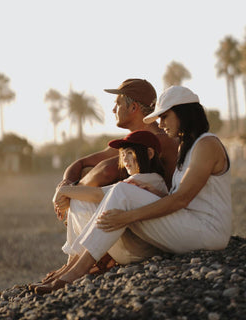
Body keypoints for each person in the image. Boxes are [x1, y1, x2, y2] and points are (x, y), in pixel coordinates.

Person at [35, 85, 232, 294]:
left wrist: (128, 216)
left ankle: (75, 274)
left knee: (122, 191)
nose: (161, 123)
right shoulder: (187, 146)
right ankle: (74, 266)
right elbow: (179, 196)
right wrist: (150, 193)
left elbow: (182, 200)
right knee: (111, 194)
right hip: (187, 224)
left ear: (183, 113)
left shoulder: (206, 144)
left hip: (208, 232)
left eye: (165, 116)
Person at [52, 79, 178, 274]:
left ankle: (88, 261)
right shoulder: (133, 142)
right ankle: (77, 261)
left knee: (94, 180)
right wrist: (67, 184)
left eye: (117, 103)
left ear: (134, 107)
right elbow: (79, 163)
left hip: (154, 225)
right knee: (86, 176)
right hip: (135, 216)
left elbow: (106, 171)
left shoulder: (156, 141)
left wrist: (69, 194)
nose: (113, 110)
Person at [30, 130, 168, 291]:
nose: (125, 159)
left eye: (130, 153)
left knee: (87, 200)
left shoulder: (148, 180)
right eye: (123, 154)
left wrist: (62, 191)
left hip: (140, 251)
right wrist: (67, 192)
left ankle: (74, 272)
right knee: (80, 201)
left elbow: (98, 194)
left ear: (150, 153)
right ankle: (69, 268)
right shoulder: (140, 180)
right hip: (133, 247)